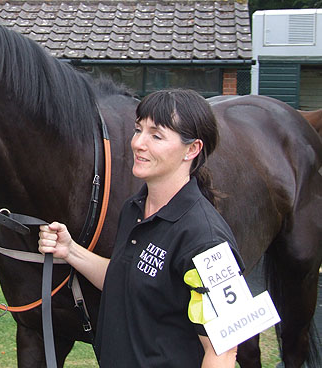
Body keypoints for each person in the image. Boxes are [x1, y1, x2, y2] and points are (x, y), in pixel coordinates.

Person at [39, 89, 244, 367]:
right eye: (139, 130)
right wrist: (71, 250)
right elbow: (125, 277)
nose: (138, 143)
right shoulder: (134, 208)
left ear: (192, 149)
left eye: (156, 135)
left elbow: (224, 348)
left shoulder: (205, 239)